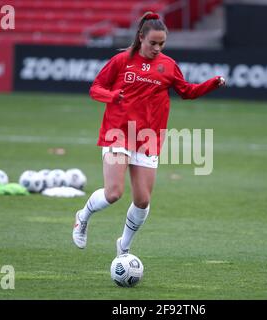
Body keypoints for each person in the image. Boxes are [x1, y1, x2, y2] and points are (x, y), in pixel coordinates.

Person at [72, 12, 225, 254]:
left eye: (161, 44)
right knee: (114, 193)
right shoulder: (121, 61)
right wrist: (111, 96)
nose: (157, 48)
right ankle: (83, 216)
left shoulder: (168, 65)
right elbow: (95, 88)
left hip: (148, 139)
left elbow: (187, 91)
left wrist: (211, 84)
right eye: (153, 43)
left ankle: (124, 245)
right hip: (118, 133)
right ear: (141, 37)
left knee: (142, 201)